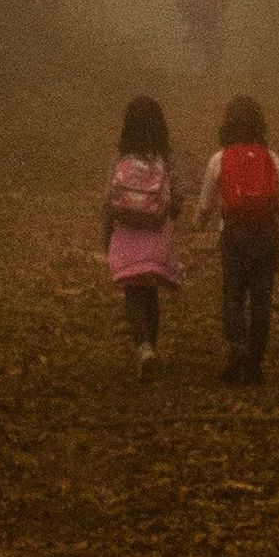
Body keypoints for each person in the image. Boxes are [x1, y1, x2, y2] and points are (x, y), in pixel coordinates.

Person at [199, 94, 279, 385]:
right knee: (262, 299)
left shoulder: (220, 157)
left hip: (234, 235)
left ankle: (236, 347)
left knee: (234, 294)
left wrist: (198, 222)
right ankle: (255, 363)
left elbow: (205, 203)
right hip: (266, 234)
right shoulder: (270, 157)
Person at [100, 95, 185, 364]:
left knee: (133, 292)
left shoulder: (121, 155)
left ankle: (144, 348)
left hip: (125, 231)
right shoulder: (165, 157)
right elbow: (176, 199)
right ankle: (152, 348)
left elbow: (109, 199)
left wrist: (106, 235)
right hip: (155, 232)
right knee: (150, 291)